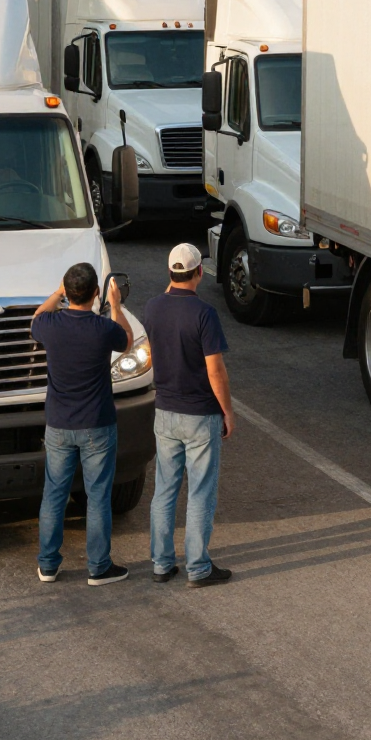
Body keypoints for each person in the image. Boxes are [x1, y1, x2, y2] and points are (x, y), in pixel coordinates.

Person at [32, 261, 132, 587]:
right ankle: (98, 567)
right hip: (97, 423)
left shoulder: (50, 325)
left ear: (68, 291)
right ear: (95, 293)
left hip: (59, 424)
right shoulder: (103, 329)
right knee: (98, 496)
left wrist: (57, 292)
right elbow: (126, 340)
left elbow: (36, 318)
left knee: (54, 495)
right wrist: (116, 305)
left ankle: (48, 566)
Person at [144, 243, 234, 587]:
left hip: (165, 411)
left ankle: (161, 564)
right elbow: (216, 372)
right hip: (199, 414)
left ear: (170, 274)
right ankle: (198, 567)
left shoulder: (153, 309)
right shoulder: (204, 314)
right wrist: (227, 410)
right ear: (199, 272)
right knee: (200, 492)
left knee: (164, 489)